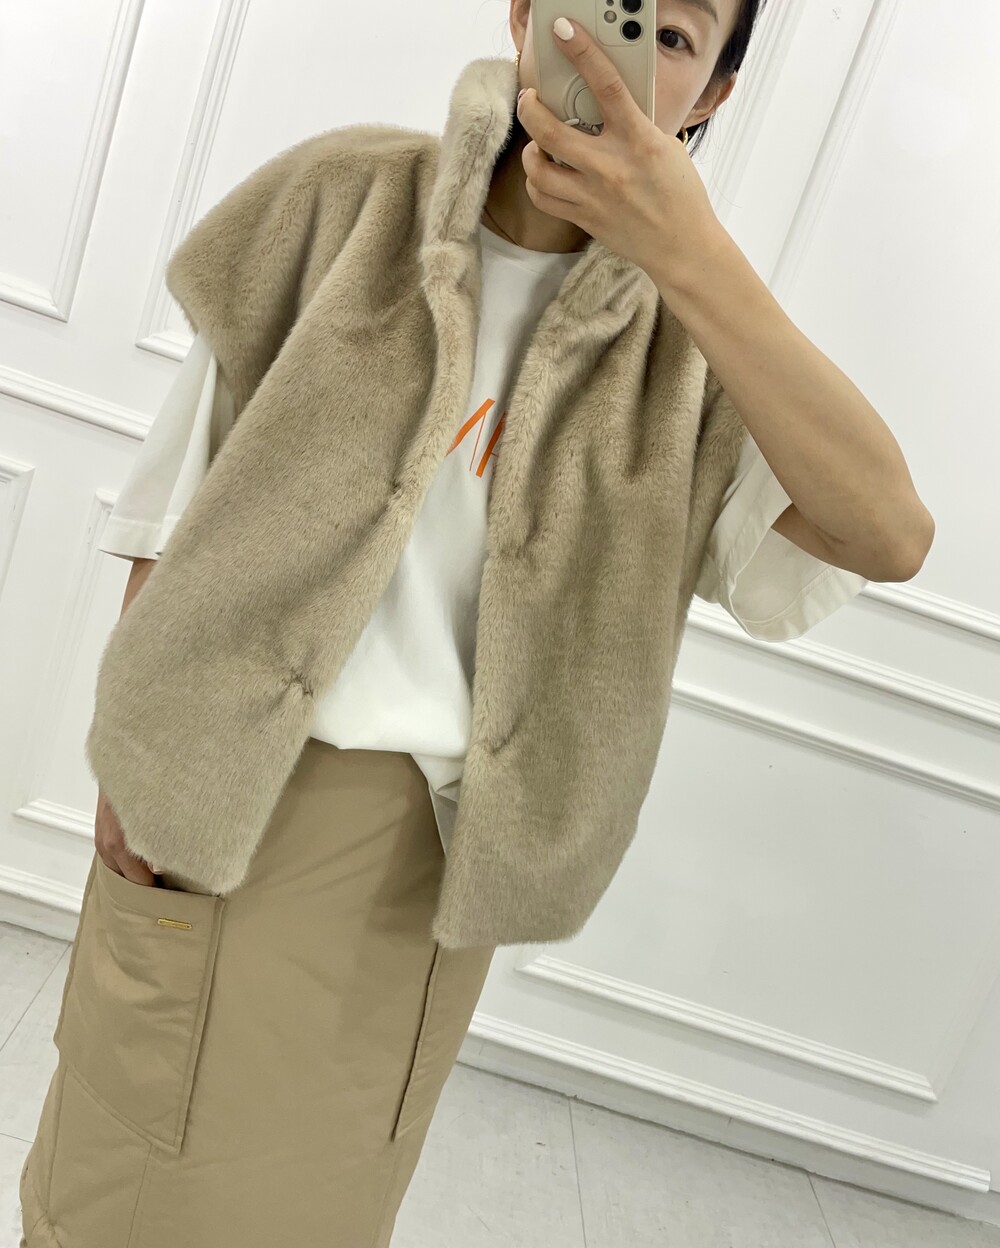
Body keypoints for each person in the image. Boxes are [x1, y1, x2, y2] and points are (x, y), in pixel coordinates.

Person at [20, 2, 932, 1245]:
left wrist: (695, 258)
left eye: (671, 35)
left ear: (713, 97)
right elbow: (175, 491)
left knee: (317, 1213)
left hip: (440, 870)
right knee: (116, 1193)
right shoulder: (342, 198)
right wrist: (136, 769)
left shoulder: (694, 354)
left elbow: (888, 536)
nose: (614, 47)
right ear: (524, 11)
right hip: (229, 795)